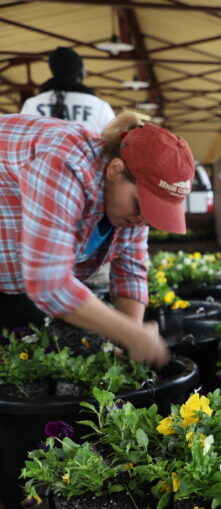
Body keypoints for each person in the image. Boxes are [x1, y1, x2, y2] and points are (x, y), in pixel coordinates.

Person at [0, 111, 196, 368]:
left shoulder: (131, 207)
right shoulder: (64, 161)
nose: (143, 220)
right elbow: (48, 282)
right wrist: (132, 336)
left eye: (153, 214)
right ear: (115, 170)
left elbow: (131, 275)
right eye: (141, 205)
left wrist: (128, 346)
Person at [20, 46, 116, 134]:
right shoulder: (99, 106)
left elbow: (21, 139)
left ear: (53, 70)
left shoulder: (31, 104)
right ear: (81, 73)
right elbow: (113, 142)